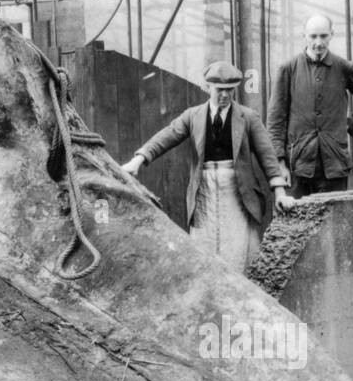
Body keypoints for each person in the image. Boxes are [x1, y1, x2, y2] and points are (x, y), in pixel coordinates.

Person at [121, 61, 291, 270]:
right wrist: (139, 160)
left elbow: (268, 157)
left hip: (238, 191)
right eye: (220, 90)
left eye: (230, 90)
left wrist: (280, 192)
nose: (225, 96)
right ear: (208, 87)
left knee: (238, 247)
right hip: (205, 191)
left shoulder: (248, 117)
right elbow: (167, 136)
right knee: (206, 248)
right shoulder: (193, 116)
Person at [267, 14, 353, 198]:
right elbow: (275, 121)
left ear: (332, 35)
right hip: (298, 167)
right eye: (313, 36)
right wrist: (280, 165)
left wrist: (350, 124)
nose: (318, 42)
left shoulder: (345, 67)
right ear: (304, 35)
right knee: (298, 223)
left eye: (323, 36)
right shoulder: (288, 69)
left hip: (335, 165)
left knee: (334, 222)